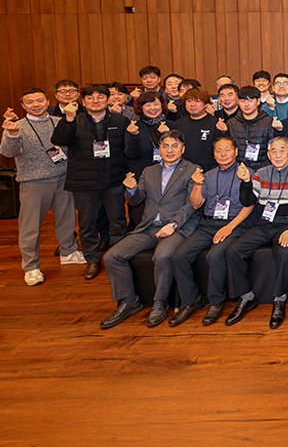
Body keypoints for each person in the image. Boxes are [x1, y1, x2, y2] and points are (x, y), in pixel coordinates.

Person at [100, 130, 199, 329]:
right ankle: (129, 301)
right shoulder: (149, 171)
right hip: (149, 227)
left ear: (183, 149)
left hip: (177, 227)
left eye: (175, 146)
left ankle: (159, 302)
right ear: (159, 150)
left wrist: (173, 225)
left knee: (162, 255)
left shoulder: (192, 170)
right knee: (112, 256)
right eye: (165, 146)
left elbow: (192, 205)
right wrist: (131, 189)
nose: (170, 150)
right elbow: (136, 200)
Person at [224, 138, 288, 327]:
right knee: (233, 251)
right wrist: (246, 182)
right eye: (274, 151)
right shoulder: (261, 174)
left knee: (285, 252)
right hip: (264, 224)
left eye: (282, 150)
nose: (278, 155)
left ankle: (280, 299)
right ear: (269, 155)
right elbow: (248, 201)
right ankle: (246, 296)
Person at [170, 137, 255, 326]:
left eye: (227, 150)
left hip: (235, 224)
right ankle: (191, 301)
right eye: (218, 151)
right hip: (208, 224)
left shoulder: (245, 173)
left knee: (214, 256)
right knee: (179, 256)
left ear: (236, 152)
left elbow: (249, 206)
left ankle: (216, 302)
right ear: (214, 154)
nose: (223, 154)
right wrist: (197, 185)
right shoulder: (207, 176)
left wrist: (229, 226)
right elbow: (196, 204)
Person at [1, 90, 83, 284]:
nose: (36, 104)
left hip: (63, 179)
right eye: (30, 102)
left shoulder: (59, 121)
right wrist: (12, 134)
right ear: (23, 106)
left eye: (39, 100)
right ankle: (31, 267)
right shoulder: (17, 126)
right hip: (34, 182)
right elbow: (8, 152)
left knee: (67, 219)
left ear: (47, 102)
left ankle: (69, 252)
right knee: (30, 227)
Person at [51, 84, 131, 280]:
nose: (96, 101)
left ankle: (118, 258)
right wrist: (68, 119)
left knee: (118, 221)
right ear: (83, 101)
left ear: (108, 99)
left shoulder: (120, 121)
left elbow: (127, 150)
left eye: (100, 96)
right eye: (90, 97)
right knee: (87, 224)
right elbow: (59, 139)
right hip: (84, 182)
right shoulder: (73, 119)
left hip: (114, 179)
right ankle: (93, 260)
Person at [216, 86, 283, 171]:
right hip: (239, 170)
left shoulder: (268, 122)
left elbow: (274, 147)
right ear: (238, 101)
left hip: (263, 170)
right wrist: (223, 132)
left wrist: (278, 131)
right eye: (243, 101)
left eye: (250, 101)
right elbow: (226, 148)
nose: (246, 104)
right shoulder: (231, 123)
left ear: (258, 101)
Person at [174, 87, 218, 173]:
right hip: (182, 172)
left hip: (208, 171)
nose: (192, 104)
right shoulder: (178, 124)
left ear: (206, 104)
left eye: (197, 101)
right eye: (189, 101)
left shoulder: (215, 123)